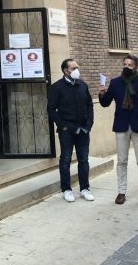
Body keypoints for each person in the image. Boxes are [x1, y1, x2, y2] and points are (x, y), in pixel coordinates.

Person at [99, 55, 138, 207]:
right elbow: (105, 103)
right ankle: (121, 192)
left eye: (130, 65)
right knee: (121, 161)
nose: (126, 67)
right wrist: (102, 93)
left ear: (136, 67)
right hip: (121, 125)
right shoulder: (115, 82)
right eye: (125, 64)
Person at [47, 59, 94, 203]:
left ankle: (84, 188)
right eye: (73, 68)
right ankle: (66, 189)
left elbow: (89, 105)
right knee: (66, 159)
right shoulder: (57, 87)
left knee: (83, 159)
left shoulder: (82, 85)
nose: (76, 70)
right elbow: (51, 109)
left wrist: (89, 124)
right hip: (67, 131)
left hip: (83, 130)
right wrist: (63, 126)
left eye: (77, 67)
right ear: (65, 70)